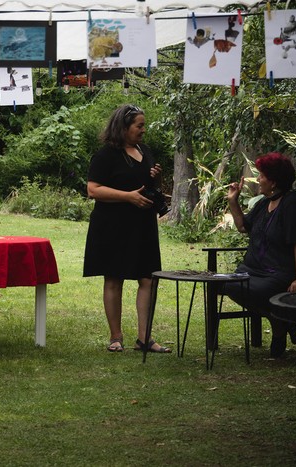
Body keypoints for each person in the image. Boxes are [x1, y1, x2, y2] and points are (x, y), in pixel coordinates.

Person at [83, 104, 171, 353]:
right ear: (123, 127)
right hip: (112, 224)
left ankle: (144, 339)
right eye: (139, 126)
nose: (144, 130)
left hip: (142, 225)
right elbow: (93, 190)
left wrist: (156, 178)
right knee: (114, 278)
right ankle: (116, 336)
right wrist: (128, 197)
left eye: (144, 125)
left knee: (148, 278)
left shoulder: (146, 151)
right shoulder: (105, 156)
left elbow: (147, 185)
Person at [224, 152, 296, 358]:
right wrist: (232, 201)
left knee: (255, 289)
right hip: (252, 270)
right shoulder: (264, 203)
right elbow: (242, 227)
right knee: (229, 284)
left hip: (277, 273)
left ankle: (280, 325)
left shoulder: (292, 204)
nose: (259, 179)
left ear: (273, 181)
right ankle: (279, 320)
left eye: (262, 175)